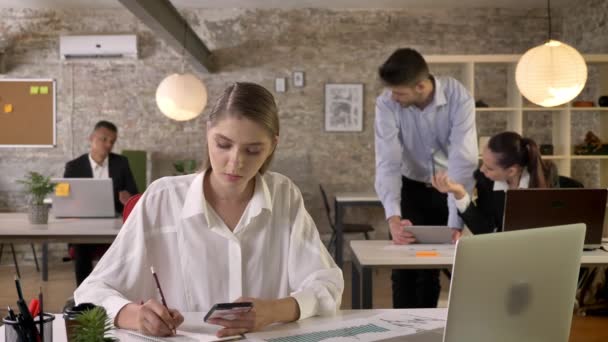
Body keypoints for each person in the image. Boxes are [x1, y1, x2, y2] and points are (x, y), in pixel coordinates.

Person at [74, 82, 344, 338]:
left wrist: (274, 310)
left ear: (272, 145)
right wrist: (133, 315)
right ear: (207, 133)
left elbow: (327, 285)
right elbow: (90, 291)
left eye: (252, 150)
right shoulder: (163, 199)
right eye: (223, 145)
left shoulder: (284, 195)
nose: (235, 162)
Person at [374, 48, 478, 308]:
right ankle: (400, 333)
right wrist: (393, 218)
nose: (393, 98)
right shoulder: (386, 103)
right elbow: (387, 161)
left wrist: (456, 221)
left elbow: (462, 162)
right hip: (411, 185)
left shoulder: (458, 98)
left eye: (400, 93)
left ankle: (427, 332)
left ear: (421, 86)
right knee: (404, 266)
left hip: (448, 186)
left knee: (431, 267)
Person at [432, 131, 554, 235]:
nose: (481, 170)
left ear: (511, 171)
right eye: (483, 162)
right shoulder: (486, 181)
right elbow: (483, 230)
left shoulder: (548, 176)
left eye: (489, 168)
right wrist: (459, 192)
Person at [63, 120, 138, 286]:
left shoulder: (121, 163)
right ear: (92, 138)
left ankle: (115, 292)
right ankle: (84, 295)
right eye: (104, 139)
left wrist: (128, 200)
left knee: (126, 246)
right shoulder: (74, 166)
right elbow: (66, 200)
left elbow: (134, 194)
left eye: (112, 141)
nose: (108, 145)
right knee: (81, 246)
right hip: (84, 225)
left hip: (114, 225)